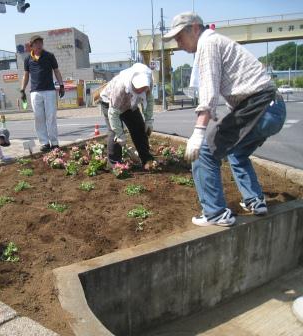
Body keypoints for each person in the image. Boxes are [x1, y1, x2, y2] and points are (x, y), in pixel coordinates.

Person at [163, 12, 286, 226]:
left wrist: (198, 133)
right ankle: (255, 201)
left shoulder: (208, 44)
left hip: (259, 106)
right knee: (237, 153)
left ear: (194, 28)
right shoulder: (217, 42)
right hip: (274, 109)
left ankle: (215, 213)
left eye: (179, 37)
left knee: (204, 153)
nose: (178, 43)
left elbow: (208, 94)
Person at [99, 62, 156, 170]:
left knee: (139, 127)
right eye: (137, 89)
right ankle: (114, 163)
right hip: (110, 102)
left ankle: (146, 159)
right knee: (114, 131)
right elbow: (113, 114)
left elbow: (148, 100)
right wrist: (120, 135)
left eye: (143, 89)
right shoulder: (120, 87)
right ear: (132, 83)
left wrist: (149, 120)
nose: (140, 91)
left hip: (130, 104)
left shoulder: (149, 82)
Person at [20, 35, 65, 152]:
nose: (39, 45)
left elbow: (56, 71)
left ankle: (54, 142)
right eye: (36, 43)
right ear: (32, 46)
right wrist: (22, 89)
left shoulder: (49, 56)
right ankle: (44, 143)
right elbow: (26, 75)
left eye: (40, 42)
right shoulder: (27, 59)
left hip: (49, 91)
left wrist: (61, 85)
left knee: (51, 117)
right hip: (35, 92)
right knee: (38, 118)